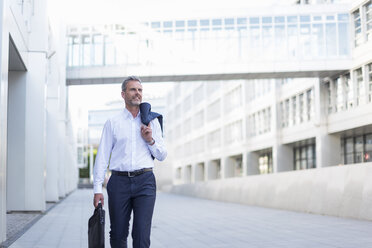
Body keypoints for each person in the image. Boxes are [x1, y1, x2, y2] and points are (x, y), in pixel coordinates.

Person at [93, 76, 167, 248]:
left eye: (140, 90)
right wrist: (97, 189)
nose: (137, 93)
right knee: (118, 234)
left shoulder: (152, 121)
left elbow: (162, 154)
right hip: (119, 182)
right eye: (133, 89)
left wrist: (150, 140)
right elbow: (102, 156)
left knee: (142, 235)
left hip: (145, 181)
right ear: (123, 94)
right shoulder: (113, 123)